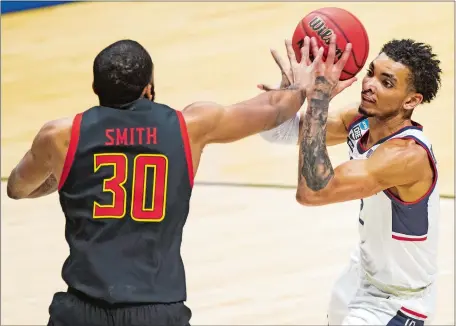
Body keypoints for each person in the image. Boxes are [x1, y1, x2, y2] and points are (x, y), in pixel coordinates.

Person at [6, 37, 351, 325]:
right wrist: (301, 87)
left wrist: (65, 175)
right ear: (149, 88)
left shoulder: (60, 136)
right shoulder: (190, 126)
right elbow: (277, 109)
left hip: (81, 309)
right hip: (157, 310)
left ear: (95, 88)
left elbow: (18, 188)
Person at [260, 35, 442, 325]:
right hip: (361, 274)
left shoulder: (407, 156)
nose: (369, 84)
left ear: (412, 100)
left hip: (399, 301)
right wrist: (290, 93)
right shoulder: (361, 122)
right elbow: (280, 133)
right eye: (370, 73)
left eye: (387, 82)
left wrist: (318, 99)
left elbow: (313, 193)